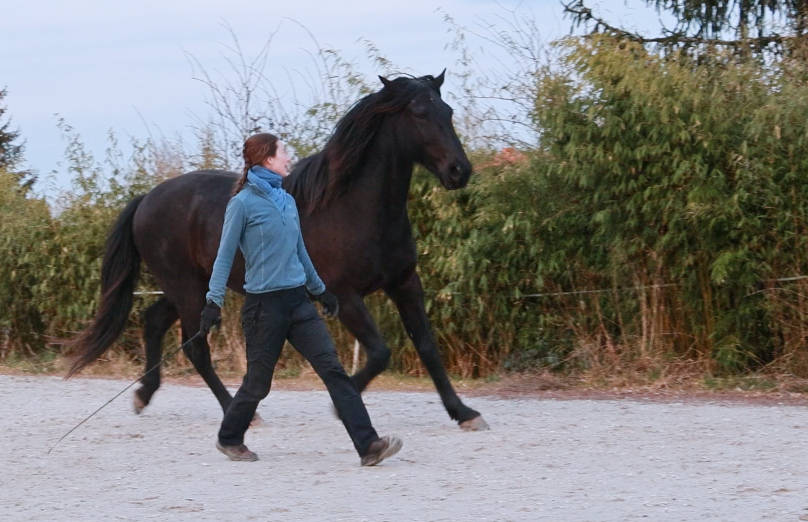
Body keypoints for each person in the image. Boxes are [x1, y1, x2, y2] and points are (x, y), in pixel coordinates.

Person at [200, 132, 402, 466]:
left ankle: (368, 445)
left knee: (333, 370)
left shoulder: (287, 201)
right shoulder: (242, 204)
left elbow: (299, 250)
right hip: (264, 308)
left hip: (298, 303)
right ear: (268, 159)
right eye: (283, 151)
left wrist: (320, 290)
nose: (288, 157)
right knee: (258, 385)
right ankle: (229, 437)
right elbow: (223, 256)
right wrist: (213, 301)